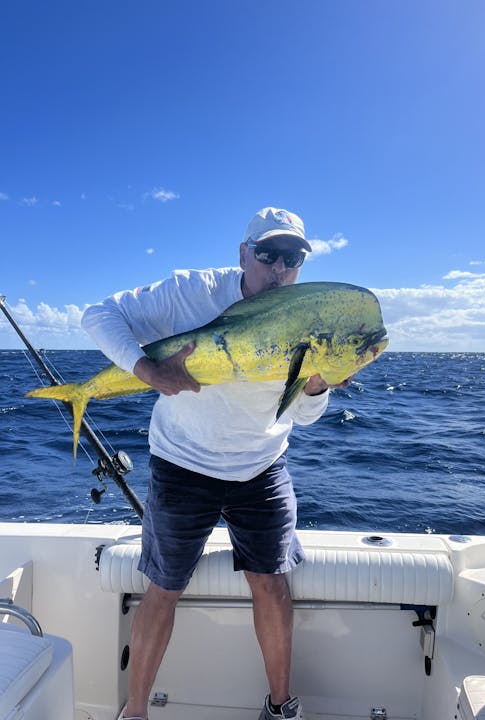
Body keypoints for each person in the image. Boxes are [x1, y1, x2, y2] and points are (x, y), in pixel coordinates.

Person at [82, 207, 342, 720]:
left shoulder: (309, 316)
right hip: (182, 464)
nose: (279, 268)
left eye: (292, 258)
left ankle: (280, 705)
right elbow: (99, 315)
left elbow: (308, 415)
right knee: (164, 587)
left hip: (262, 466)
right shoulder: (191, 292)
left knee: (271, 582)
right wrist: (146, 369)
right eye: (268, 254)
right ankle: (135, 713)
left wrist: (317, 385)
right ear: (243, 253)